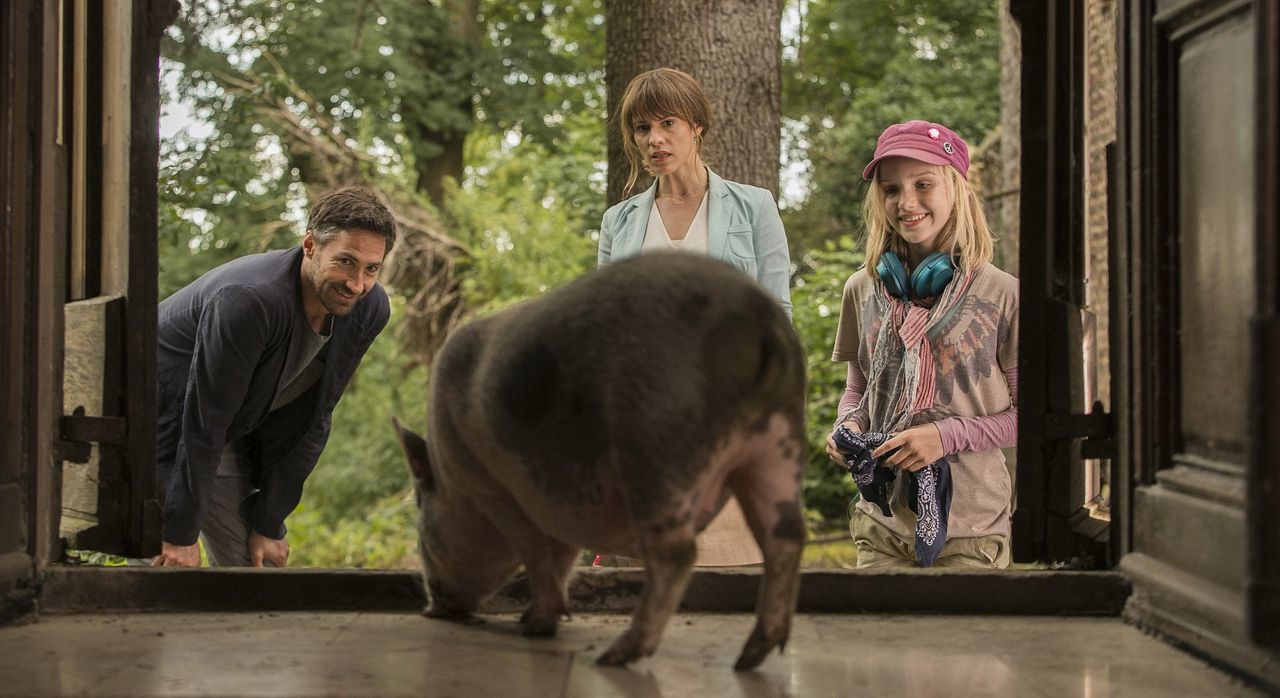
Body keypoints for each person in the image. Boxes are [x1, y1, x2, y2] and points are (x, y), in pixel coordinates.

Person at [597, 67, 792, 566]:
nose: (655, 139)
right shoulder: (618, 222)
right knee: (647, 578)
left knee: (730, 572)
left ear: (696, 126)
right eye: (642, 128)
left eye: (668, 123)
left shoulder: (754, 207)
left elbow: (777, 317)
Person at [153, 186, 395, 567]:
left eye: (371, 269)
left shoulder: (367, 309)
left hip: (225, 423)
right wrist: (178, 532)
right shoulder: (250, 301)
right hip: (158, 413)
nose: (356, 283)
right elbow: (204, 420)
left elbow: (316, 415)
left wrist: (269, 521)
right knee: (162, 566)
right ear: (310, 245)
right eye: (346, 261)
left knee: (255, 570)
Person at [825, 120, 1018, 569]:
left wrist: (944, 436)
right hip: (881, 528)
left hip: (971, 533)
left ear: (956, 189)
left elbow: (1024, 418)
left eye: (923, 184)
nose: (906, 202)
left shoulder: (1003, 294)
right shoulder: (860, 290)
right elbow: (859, 390)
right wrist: (846, 427)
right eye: (891, 189)